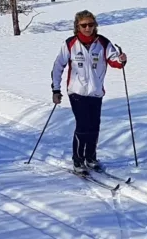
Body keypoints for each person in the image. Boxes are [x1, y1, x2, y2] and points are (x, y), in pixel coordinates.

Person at [51, 10, 127, 171]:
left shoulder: (103, 43)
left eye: (91, 25)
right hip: (76, 92)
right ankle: (78, 159)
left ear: (95, 26)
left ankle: (91, 157)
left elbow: (115, 61)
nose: (87, 28)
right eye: (84, 25)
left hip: (95, 92)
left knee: (94, 126)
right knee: (83, 125)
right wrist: (55, 89)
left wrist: (121, 59)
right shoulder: (70, 44)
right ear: (77, 26)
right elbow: (58, 67)